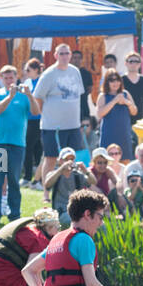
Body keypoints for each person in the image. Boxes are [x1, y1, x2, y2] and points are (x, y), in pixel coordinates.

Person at [22, 188, 137, 286]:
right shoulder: (84, 240)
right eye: (100, 217)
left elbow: (28, 271)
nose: (101, 223)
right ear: (87, 214)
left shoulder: (57, 239)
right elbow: (91, 284)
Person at [0, 65, 37, 226]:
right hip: (0, 144)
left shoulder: (24, 96)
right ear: (2, 79)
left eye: (11, 77)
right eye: (6, 78)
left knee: (14, 180)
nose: (9, 81)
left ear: (16, 78)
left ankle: (14, 215)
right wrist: (10, 97)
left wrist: (30, 96)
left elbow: (36, 112)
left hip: (17, 145)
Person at [34, 44, 86, 186]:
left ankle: (73, 187)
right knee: (51, 158)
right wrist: (46, 115)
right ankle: (46, 191)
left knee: (73, 158)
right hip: (53, 127)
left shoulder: (75, 71)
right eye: (61, 54)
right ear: (56, 55)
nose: (64, 56)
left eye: (67, 53)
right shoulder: (49, 74)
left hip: (73, 125)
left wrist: (81, 121)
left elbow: (78, 97)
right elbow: (38, 98)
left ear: (70, 55)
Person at [97, 70, 136, 162]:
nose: (115, 83)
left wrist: (126, 102)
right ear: (107, 82)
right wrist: (114, 101)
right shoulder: (103, 96)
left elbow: (134, 112)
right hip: (109, 134)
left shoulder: (125, 94)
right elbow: (100, 114)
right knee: (107, 161)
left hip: (124, 134)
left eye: (117, 80)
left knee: (125, 160)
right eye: (112, 80)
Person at [44, 147, 90, 224]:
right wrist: (61, 168)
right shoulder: (54, 174)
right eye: (66, 159)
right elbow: (47, 185)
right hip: (60, 211)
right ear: (60, 161)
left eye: (71, 159)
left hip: (76, 211)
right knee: (72, 221)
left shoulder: (77, 175)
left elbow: (93, 182)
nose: (69, 162)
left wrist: (85, 170)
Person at [121, 52, 143, 126]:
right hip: (123, 120)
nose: (134, 64)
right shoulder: (120, 80)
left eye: (136, 61)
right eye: (131, 61)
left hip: (141, 120)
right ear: (126, 63)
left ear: (140, 64)